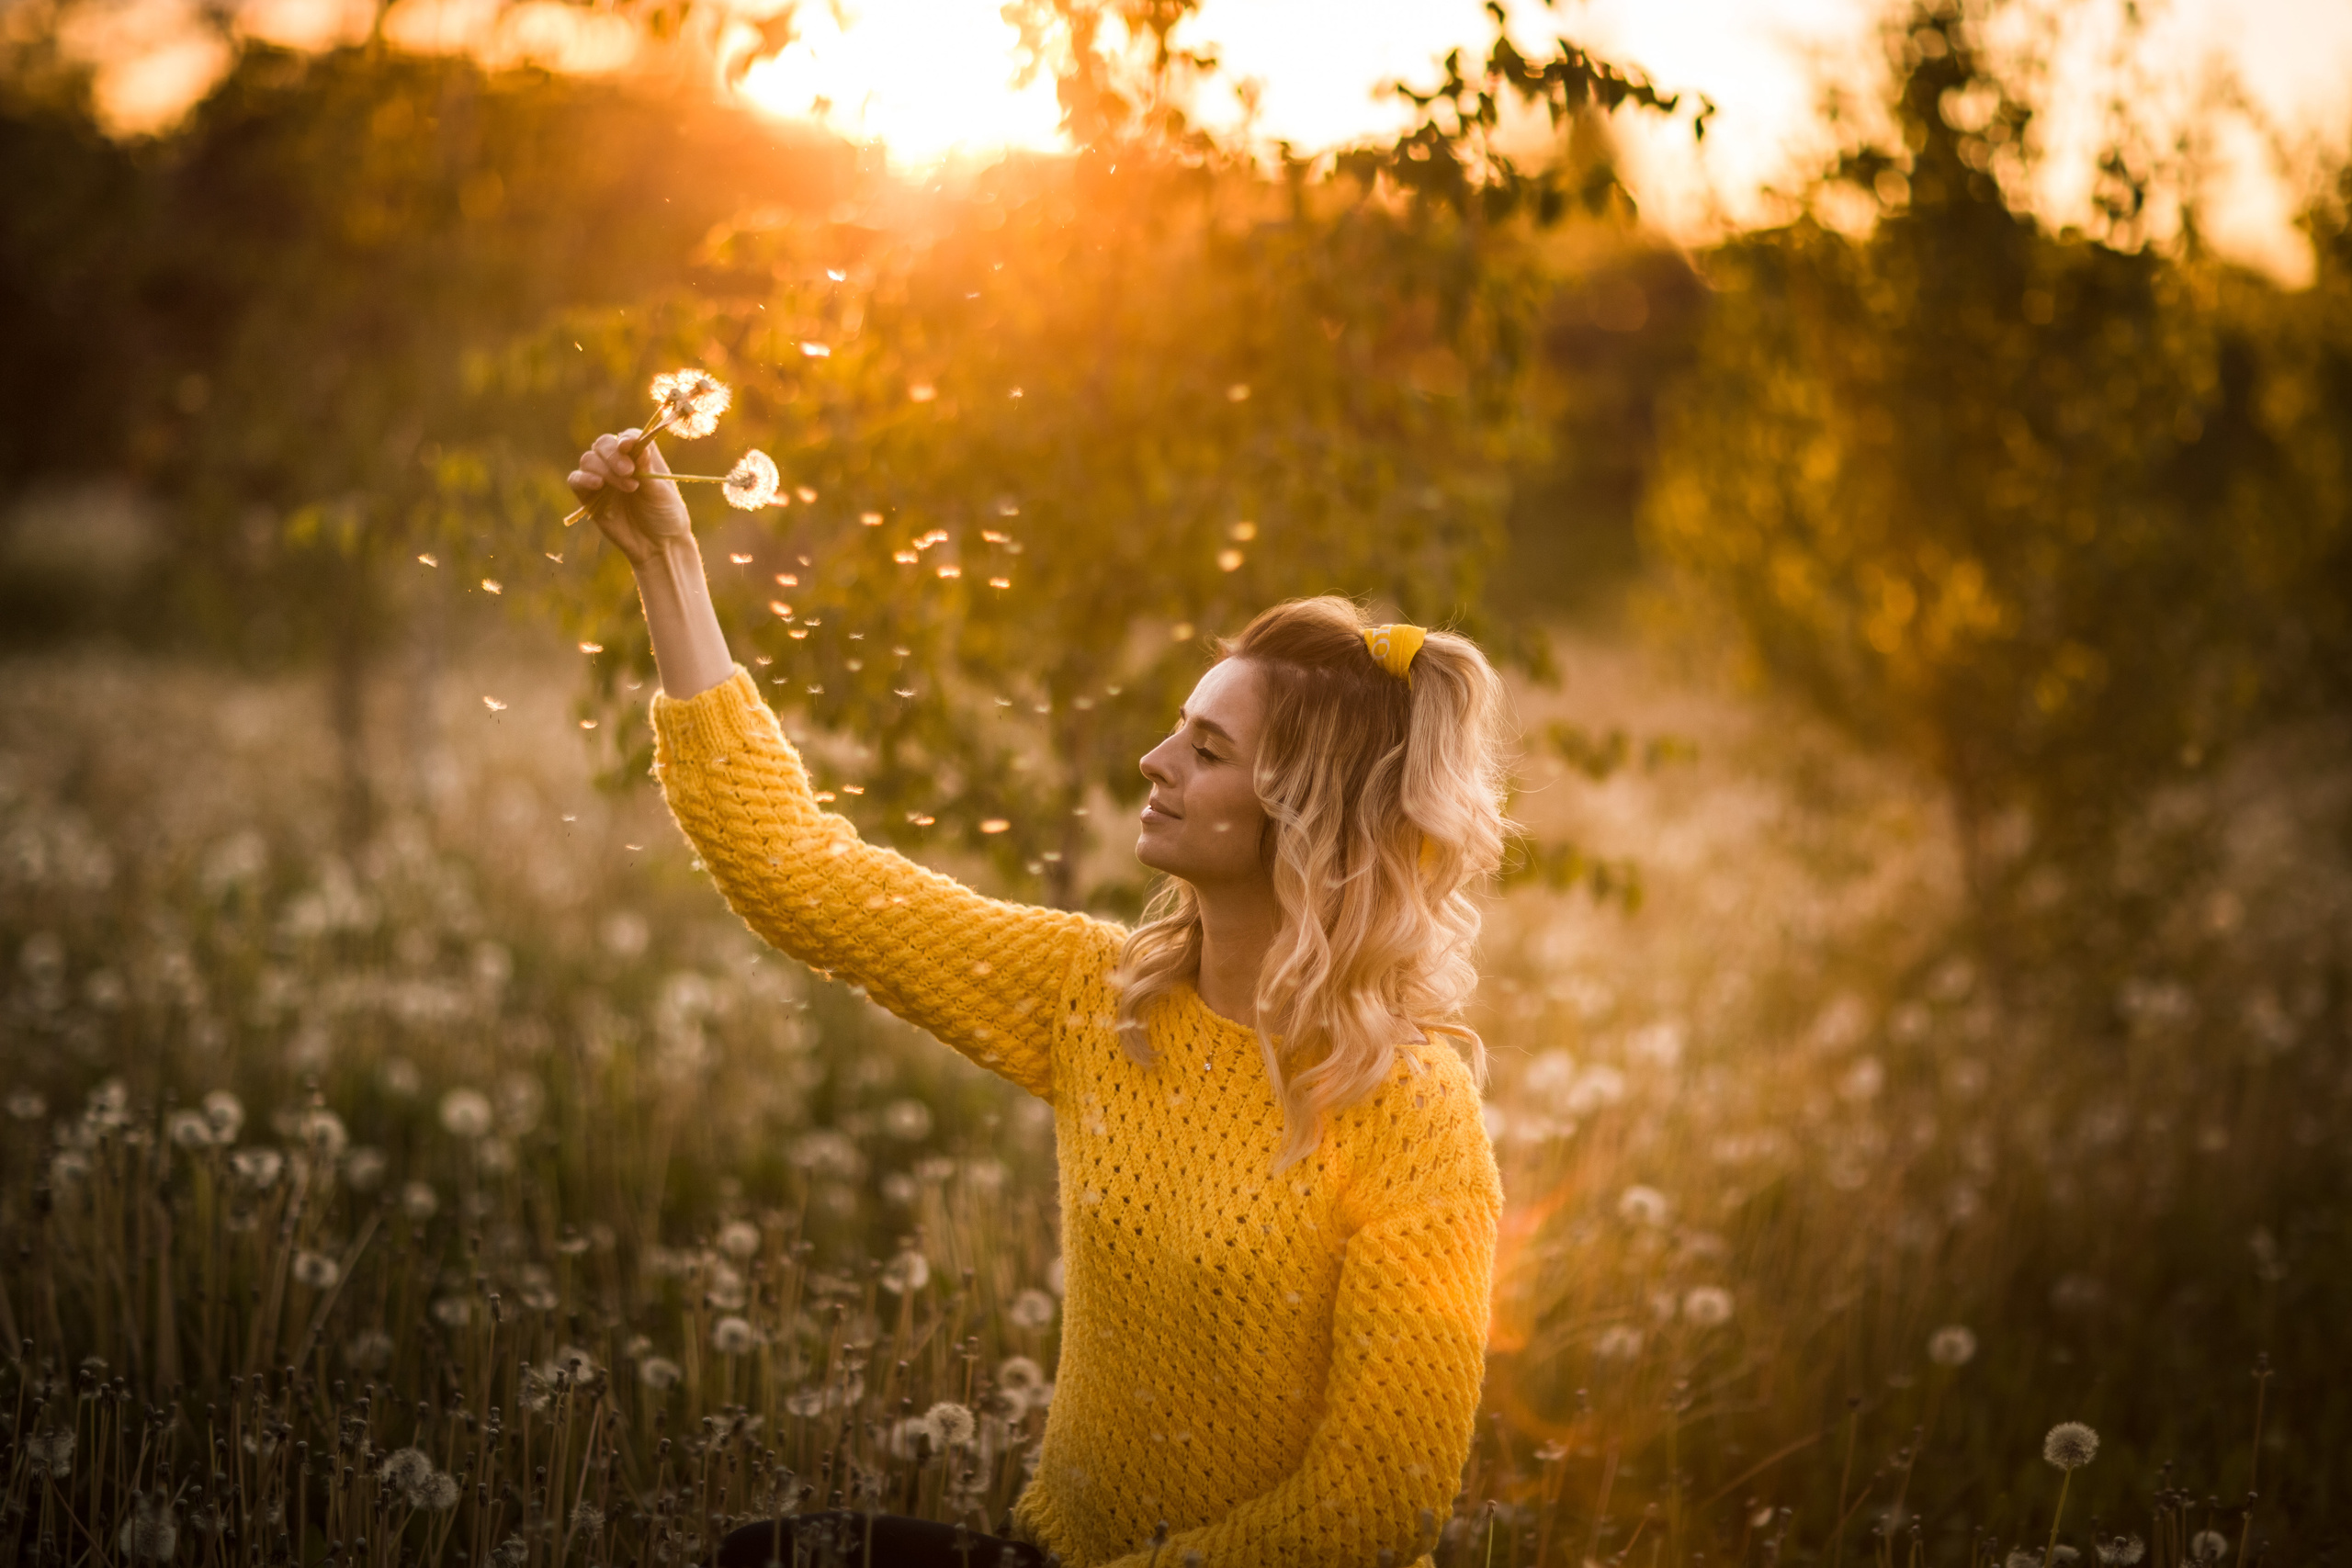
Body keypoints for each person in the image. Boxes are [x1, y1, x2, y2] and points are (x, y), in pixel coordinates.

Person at [569, 429, 1507, 1567]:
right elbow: (797, 872)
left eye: (1206, 751)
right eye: (1178, 728)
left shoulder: (1410, 1111)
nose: (1153, 762)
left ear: (1304, 819)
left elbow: (1373, 1510)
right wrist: (668, 564)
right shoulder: (1098, 998)